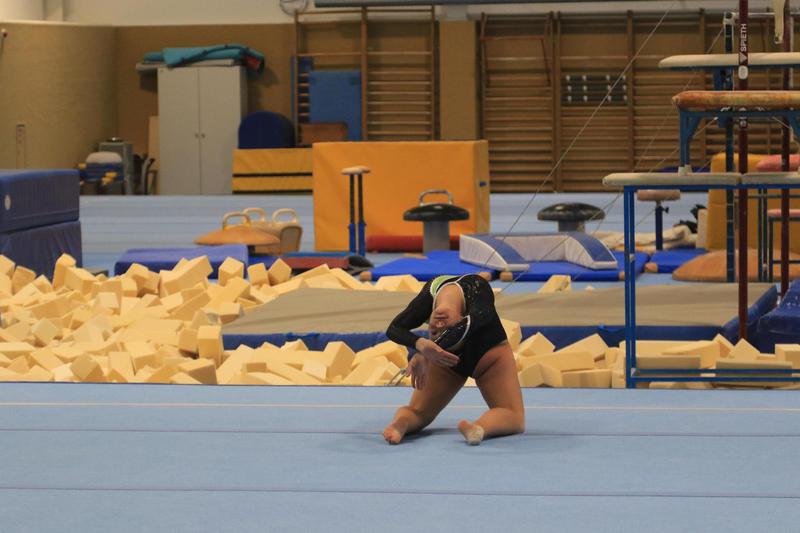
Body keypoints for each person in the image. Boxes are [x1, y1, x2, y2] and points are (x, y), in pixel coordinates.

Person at [382, 274, 525, 445]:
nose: (439, 325)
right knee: (418, 412)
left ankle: (477, 428)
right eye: (434, 332)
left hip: (486, 358)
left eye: (438, 331)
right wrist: (420, 344)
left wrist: (424, 351)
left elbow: (474, 322)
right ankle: (400, 424)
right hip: (448, 360)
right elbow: (393, 329)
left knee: (513, 417)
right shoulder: (433, 295)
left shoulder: (475, 287)